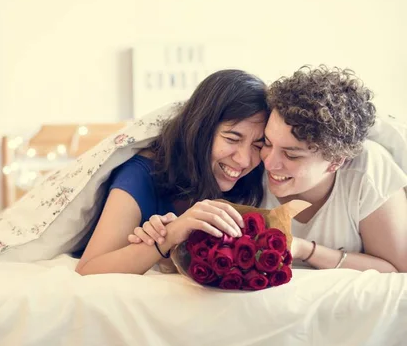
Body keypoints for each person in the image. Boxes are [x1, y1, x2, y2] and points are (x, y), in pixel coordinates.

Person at [130, 66, 407, 273]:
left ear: (336, 161)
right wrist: (163, 235)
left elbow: (395, 271)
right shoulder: (244, 170)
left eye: (291, 154)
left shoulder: (368, 171)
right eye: (268, 142)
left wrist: (305, 250)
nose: (268, 162)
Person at [75, 69, 269, 276]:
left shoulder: (251, 180)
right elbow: (89, 269)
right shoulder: (141, 175)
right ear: (201, 130)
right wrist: (171, 234)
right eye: (232, 139)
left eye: (257, 145)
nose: (244, 160)